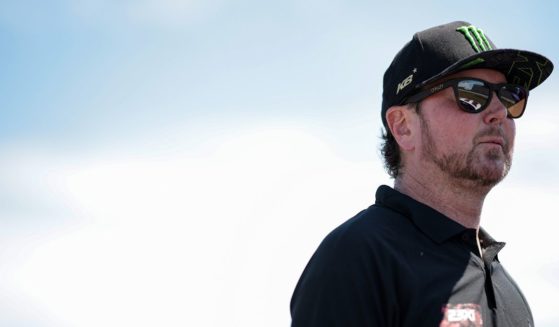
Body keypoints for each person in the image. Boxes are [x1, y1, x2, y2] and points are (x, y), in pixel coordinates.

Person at [290, 21, 553, 327]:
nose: (499, 112)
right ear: (403, 126)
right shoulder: (358, 257)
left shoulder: (508, 290)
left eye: (510, 96)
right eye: (471, 94)